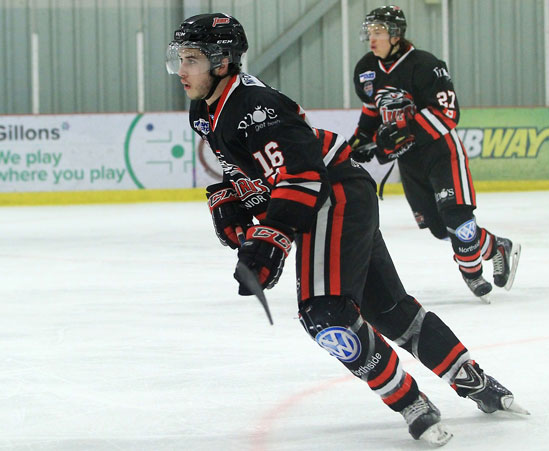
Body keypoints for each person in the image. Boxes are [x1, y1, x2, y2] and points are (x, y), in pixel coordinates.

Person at [166, 13, 528, 446]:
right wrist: (231, 202)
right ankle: (476, 382)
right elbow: (250, 168)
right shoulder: (206, 109)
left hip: (331, 193)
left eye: (191, 59)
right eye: (178, 59)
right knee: (390, 310)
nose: (181, 71)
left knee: (325, 314)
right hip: (339, 189)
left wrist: (270, 241)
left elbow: (301, 177)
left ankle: (412, 403)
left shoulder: (254, 107)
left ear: (222, 61)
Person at [349, 5, 521, 302]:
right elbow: (372, 110)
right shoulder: (367, 68)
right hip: (410, 163)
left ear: (395, 35)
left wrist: (403, 132)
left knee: (458, 220)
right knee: (441, 230)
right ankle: (496, 246)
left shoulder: (426, 65)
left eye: (378, 32)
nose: (372, 39)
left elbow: (449, 113)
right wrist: (361, 139)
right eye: (370, 33)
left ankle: (471, 272)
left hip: (440, 153)